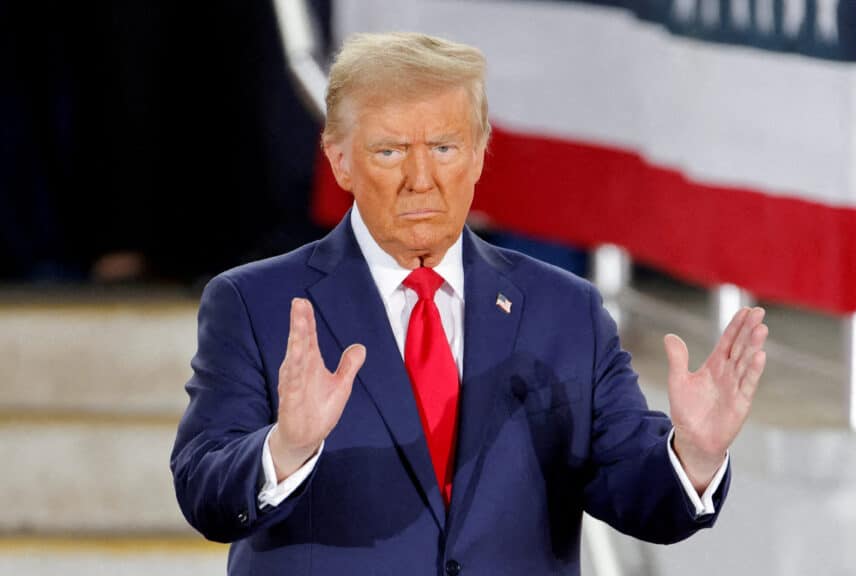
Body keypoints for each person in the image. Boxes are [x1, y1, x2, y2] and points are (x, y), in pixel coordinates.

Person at [170, 32, 768, 576]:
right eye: (389, 151)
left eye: (446, 147)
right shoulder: (254, 302)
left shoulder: (565, 312)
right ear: (339, 158)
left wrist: (694, 453)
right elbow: (204, 490)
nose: (421, 178)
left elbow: (635, 491)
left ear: (480, 153)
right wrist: (287, 448)